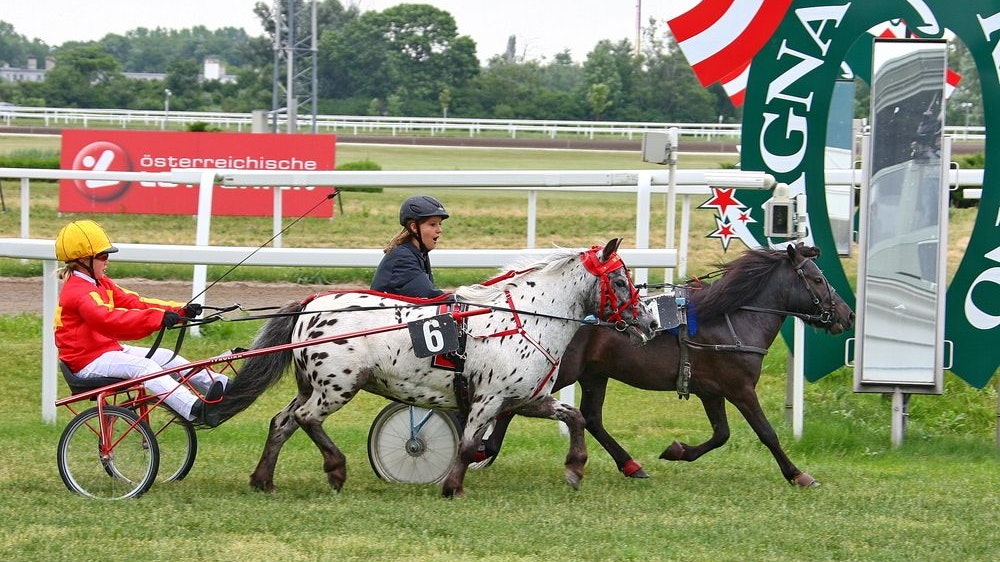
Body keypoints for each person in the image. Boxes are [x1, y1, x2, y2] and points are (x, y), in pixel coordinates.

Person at [54, 219, 228, 427]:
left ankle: (224, 387)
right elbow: (109, 321)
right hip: (87, 362)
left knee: (166, 357)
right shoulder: (78, 292)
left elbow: (134, 302)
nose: (107, 261)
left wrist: (179, 309)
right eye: (102, 256)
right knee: (145, 367)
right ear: (82, 260)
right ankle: (195, 409)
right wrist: (157, 319)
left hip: (105, 351)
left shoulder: (99, 282)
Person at [370, 195, 449, 298]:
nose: (439, 230)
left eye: (440, 224)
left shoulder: (418, 253)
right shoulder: (403, 258)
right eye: (433, 224)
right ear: (414, 227)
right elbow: (432, 298)